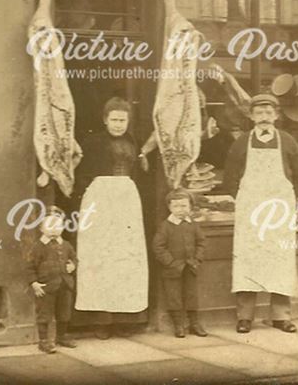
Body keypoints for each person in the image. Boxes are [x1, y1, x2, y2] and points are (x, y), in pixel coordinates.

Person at [223, 92, 298, 334]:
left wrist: (289, 201)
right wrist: (244, 200)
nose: (264, 117)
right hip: (250, 211)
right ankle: (245, 317)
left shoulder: (288, 141)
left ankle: (281, 316)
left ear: (276, 116)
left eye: (269, 113)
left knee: (279, 260)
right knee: (248, 260)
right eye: (259, 113)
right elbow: (229, 178)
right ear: (251, 116)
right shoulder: (241, 143)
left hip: (279, 211)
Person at [73, 97, 148, 338]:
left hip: (126, 199)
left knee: (125, 258)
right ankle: (101, 321)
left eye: (122, 120)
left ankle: (123, 318)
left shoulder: (131, 141)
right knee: (100, 257)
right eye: (114, 120)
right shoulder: (93, 142)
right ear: (105, 120)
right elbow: (81, 173)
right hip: (100, 198)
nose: (118, 124)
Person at [152, 188, 208, 338]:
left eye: (184, 206)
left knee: (191, 295)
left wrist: (197, 258)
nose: (180, 210)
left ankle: (194, 323)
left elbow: (201, 242)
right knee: (174, 296)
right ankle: (178, 325)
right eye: (176, 206)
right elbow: (158, 246)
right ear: (169, 207)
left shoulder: (193, 225)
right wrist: (170, 262)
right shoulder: (166, 226)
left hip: (191, 267)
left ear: (190, 207)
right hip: (172, 269)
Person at [26, 207, 77, 353]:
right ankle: (43, 341)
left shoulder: (66, 245)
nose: (54, 230)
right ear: (42, 228)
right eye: (50, 226)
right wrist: (34, 283)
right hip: (46, 287)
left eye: (58, 226)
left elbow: (74, 258)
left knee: (64, 312)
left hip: (64, 285)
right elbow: (30, 267)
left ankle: (61, 337)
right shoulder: (38, 247)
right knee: (44, 313)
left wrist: (73, 265)